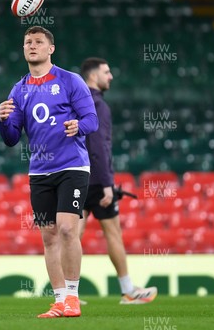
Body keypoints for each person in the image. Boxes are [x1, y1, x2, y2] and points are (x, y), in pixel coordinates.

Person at [0, 26, 98, 318]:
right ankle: (59, 300)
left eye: (39, 42)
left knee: (68, 228)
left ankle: (73, 298)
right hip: (40, 171)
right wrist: (3, 120)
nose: (32, 46)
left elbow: (91, 119)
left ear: (50, 48)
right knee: (49, 236)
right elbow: (11, 138)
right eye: (28, 42)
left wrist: (78, 126)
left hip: (72, 166)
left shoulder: (70, 80)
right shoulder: (19, 89)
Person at [79, 57, 158, 304]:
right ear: (93, 76)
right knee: (113, 233)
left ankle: (67, 294)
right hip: (95, 180)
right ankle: (128, 290)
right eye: (107, 71)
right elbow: (99, 145)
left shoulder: (76, 103)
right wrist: (106, 183)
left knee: (71, 236)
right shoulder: (98, 105)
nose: (111, 76)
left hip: (75, 177)